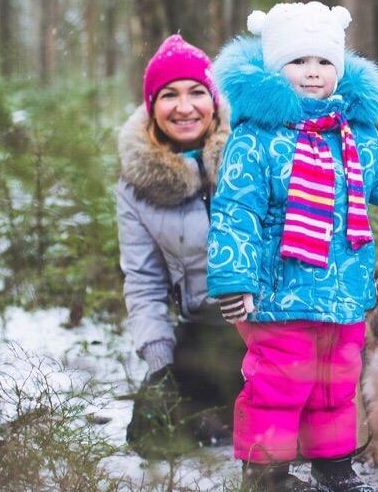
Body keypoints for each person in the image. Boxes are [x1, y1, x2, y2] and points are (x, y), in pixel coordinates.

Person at [207, 2, 378, 492]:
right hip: (277, 297)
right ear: (274, 67)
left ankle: (333, 462)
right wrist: (235, 278)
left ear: (341, 68)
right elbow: (236, 211)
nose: (313, 72)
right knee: (279, 384)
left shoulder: (353, 134)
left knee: (335, 384)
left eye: (324, 61)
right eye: (298, 61)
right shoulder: (255, 138)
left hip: (343, 293)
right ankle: (266, 469)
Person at [117, 33, 244, 459]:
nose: (185, 107)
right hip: (204, 330)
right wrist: (159, 361)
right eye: (169, 95)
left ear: (214, 100)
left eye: (196, 93)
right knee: (152, 435)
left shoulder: (249, 154)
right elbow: (144, 281)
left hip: (268, 323)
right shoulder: (136, 186)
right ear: (152, 106)